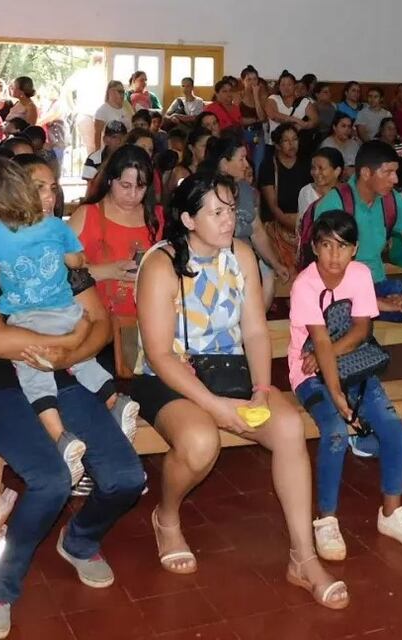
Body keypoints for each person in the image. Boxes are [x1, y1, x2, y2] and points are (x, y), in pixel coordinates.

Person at [133, 171, 349, 609]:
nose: (229, 219)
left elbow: (253, 329)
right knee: (199, 440)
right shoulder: (161, 263)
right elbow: (158, 355)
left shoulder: (242, 255)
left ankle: (302, 557)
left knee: (288, 427)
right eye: (216, 211)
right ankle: (167, 517)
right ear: (189, 219)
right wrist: (216, 407)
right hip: (171, 378)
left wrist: (263, 387)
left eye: (231, 208)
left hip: (230, 373)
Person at [0, 166, 145, 640]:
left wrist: (70, 351)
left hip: (63, 373)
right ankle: (0, 586)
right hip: (1, 386)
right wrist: (60, 347)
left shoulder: (59, 243)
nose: (47, 195)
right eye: (36, 186)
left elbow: (98, 321)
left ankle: (79, 541)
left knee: (127, 478)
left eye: (49, 186)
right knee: (51, 481)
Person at [0, 158, 136, 487]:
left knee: (36, 375)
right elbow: (77, 260)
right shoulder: (54, 227)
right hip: (67, 312)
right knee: (85, 362)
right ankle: (114, 401)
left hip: (27, 320)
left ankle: (61, 438)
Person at [291, 211, 402, 559]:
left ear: (354, 250)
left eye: (342, 247)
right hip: (308, 373)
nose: (333, 256)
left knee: (392, 426)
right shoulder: (305, 284)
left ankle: (392, 512)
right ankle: (326, 520)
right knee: (336, 432)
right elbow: (319, 342)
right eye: (325, 246)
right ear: (314, 247)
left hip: (354, 364)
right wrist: (336, 394)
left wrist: (337, 365)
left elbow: (361, 330)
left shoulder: (359, 274)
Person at [312, 141, 402, 326]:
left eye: (396, 172)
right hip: (340, 291)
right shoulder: (335, 204)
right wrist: (376, 304)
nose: (395, 180)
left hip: (378, 284)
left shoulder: (392, 201)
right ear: (366, 173)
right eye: (388, 172)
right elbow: (327, 275)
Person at [68, 144, 163, 319]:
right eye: (125, 186)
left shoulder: (157, 217)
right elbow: (56, 273)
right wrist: (107, 271)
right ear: (110, 180)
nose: (132, 194)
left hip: (147, 319)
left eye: (140, 187)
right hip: (96, 321)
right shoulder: (88, 215)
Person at [201, 133, 289, 308]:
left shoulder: (246, 190)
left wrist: (275, 263)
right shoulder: (206, 191)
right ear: (224, 163)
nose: (246, 165)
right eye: (241, 159)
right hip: (216, 267)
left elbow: (257, 231)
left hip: (244, 263)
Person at [259, 124, 313, 272]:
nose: (292, 144)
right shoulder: (269, 167)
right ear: (277, 144)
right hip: (280, 223)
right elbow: (273, 207)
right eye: (286, 141)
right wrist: (294, 226)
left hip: (302, 221)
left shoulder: (306, 164)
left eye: (295, 139)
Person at [264, 70, 318, 148]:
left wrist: (303, 126)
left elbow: (315, 120)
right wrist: (296, 120)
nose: (286, 88)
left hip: (296, 146)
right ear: (279, 87)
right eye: (283, 85)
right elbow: (273, 115)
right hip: (275, 145)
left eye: (289, 84)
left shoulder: (304, 101)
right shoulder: (273, 98)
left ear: (294, 86)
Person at [298, 147, 344, 218]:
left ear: (337, 171)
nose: (316, 173)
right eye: (313, 168)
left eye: (321, 168)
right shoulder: (306, 192)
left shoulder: (346, 194)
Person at [93, 80, 134, 152]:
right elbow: (97, 135)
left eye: (123, 92)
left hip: (128, 147)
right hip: (112, 150)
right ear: (110, 92)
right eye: (119, 91)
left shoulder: (127, 106)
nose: (122, 94)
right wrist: (97, 154)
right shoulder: (102, 110)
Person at [320, 112, 360, 178]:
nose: (347, 130)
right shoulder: (327, 145)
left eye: (349, 126)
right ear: (334, 127)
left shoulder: (354, 144)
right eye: (343, 126)